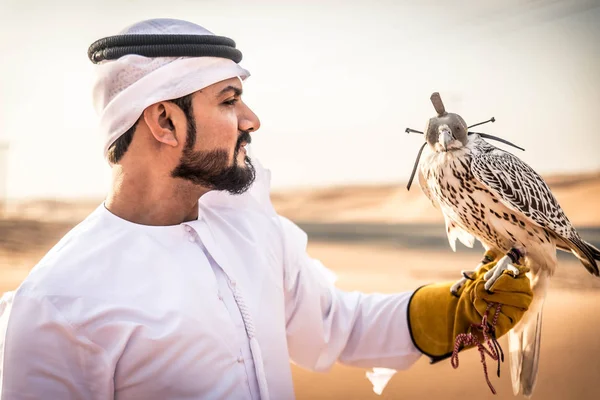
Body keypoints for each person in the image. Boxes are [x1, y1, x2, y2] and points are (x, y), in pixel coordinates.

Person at [0, 18, 533, 399]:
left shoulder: (250, 228)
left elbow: (335, 326)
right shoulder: (57, 305)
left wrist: (457, 311)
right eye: (229, 100)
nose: (252, 119)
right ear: (164, 122)